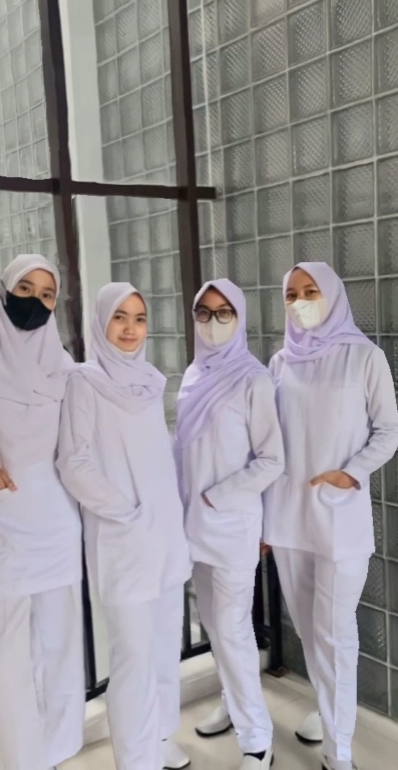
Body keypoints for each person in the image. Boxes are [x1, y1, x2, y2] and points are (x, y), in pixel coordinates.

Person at [263, 262, 398, 770]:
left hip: (340, 520)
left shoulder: (364, 357)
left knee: (335, 632)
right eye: (292, 294)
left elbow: (388, 431)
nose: (301, 301)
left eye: (311, 291)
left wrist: (351, 473)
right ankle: (329, 708)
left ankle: (338, 752)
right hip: (287, 518)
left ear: (333, 295)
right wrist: (260, 515)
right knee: (307, 628)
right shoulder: (280, 363)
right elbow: (268, 440)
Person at [56, 282, 192, 770]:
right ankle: (136, 761)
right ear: (101, 322)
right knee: (133, 659)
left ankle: (160, 738)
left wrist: (166, 516)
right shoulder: (84, 382)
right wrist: (127, 512)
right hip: (124, 539)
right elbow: (74, 462)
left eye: (139, 318)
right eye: (119, 317)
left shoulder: (150, 381)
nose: (131, 328)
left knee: (163, 650)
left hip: (166, 539)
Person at [0, 254, 84, 770]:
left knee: (57, 651)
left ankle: (52, 754)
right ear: (4, 290)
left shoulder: (61, 366)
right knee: (5, 659)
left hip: (52, 527)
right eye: (25, 289)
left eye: (46, 294)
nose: (35, 301)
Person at [174, 279, 285, 770]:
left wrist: (217, 497)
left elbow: (272, 459)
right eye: (204, 312)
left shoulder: (253, 379)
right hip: (192, 525)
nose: (214, 322)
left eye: (225, 313)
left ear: (239, 318)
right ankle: (233, 702)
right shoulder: (193, 374)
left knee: (233, 628)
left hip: (231, 524)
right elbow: (184, 450)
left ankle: (257, 738)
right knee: (214, 624)